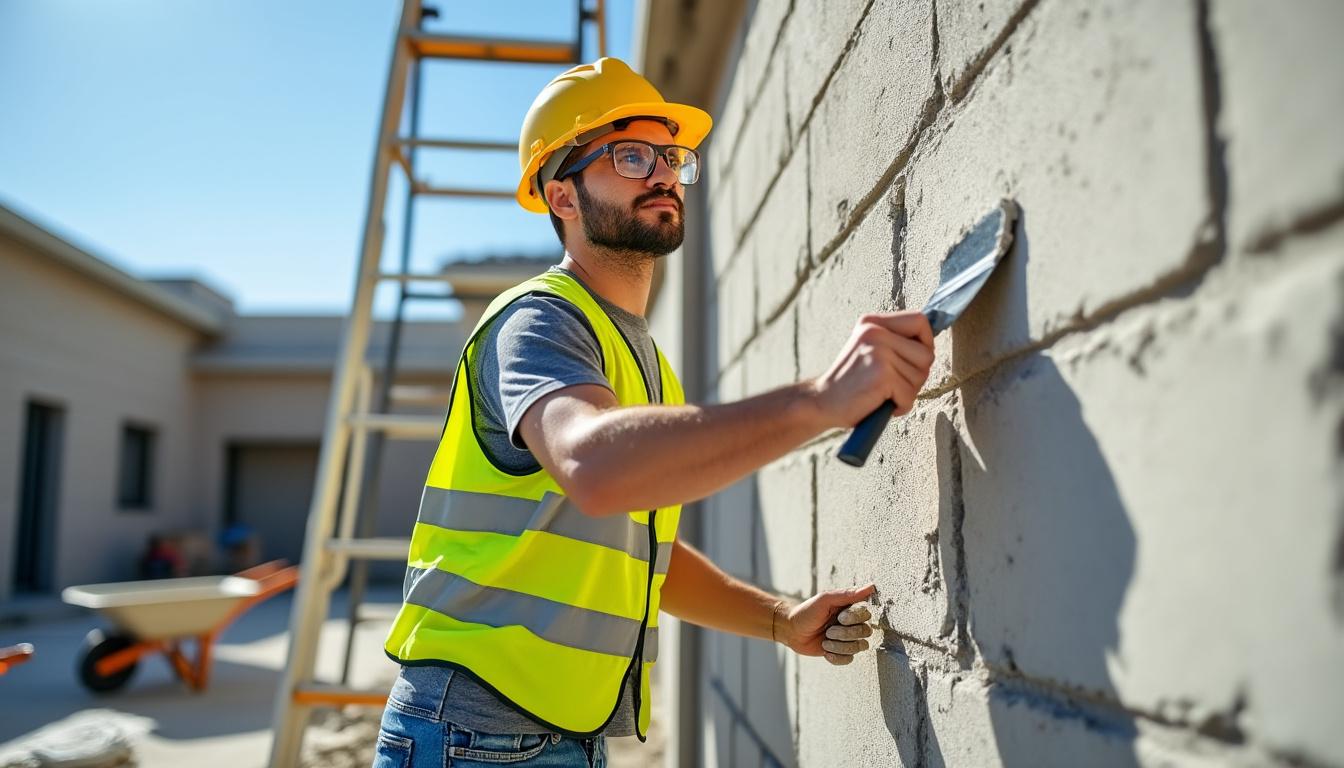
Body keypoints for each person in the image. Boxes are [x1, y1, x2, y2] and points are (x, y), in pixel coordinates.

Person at [375, 57, 934, 768]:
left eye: (671, 157)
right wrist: (820, 400)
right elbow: (594, 468)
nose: (664, 173)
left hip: (556, 736)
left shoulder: (644, 363)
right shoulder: (538, 322)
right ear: (562, 196)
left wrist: (779, 620)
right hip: (474, 735)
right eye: (631, 155)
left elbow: (643, 560)